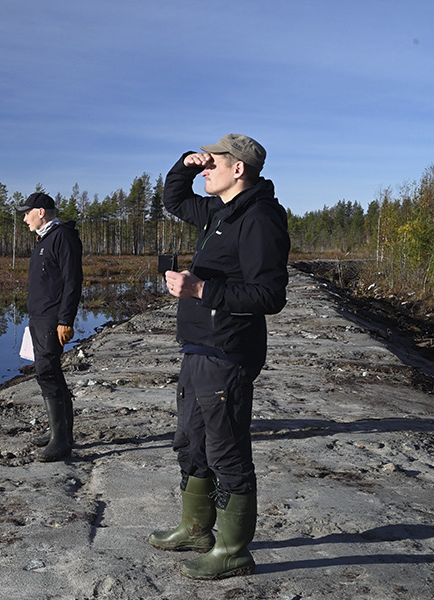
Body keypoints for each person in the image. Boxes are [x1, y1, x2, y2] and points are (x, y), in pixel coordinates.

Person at [147, 134, 289, 579]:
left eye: (214, 163)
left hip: (228, 351)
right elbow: (173, 198)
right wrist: (187, 163)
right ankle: (195, 528)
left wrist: (200, 289)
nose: (207, 169)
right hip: (198, 348)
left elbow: (270, 295)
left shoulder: (261, 218)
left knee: (226, 448)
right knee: (191, 442)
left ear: (239, 169)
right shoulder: (219, 211)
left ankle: (233, 550)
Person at [16, 192, 83, 462]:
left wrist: (65, 319)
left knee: (47, 373)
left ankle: (61, 442)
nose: (24, 218)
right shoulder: (45, 238)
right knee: (50, 372)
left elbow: (72, 281)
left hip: (52, 319)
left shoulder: (62, 237)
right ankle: (61, 433)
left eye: (26, 212)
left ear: (41, 211)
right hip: (39, 317)